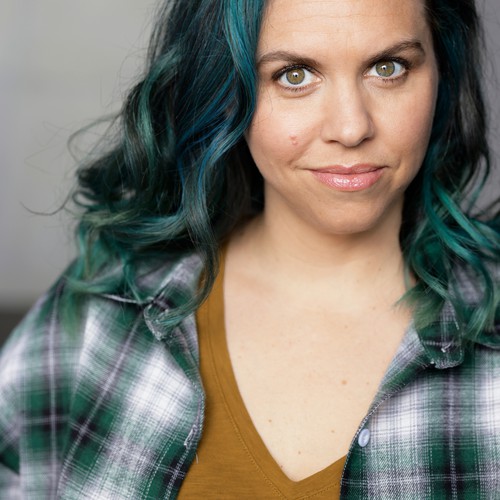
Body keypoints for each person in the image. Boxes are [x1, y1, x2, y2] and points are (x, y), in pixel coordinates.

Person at [1, 0, 500, 498]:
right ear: (223, 91)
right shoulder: (106, 312)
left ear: (442, 73)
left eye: (388, 67)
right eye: (294, 75)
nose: (351, 129)